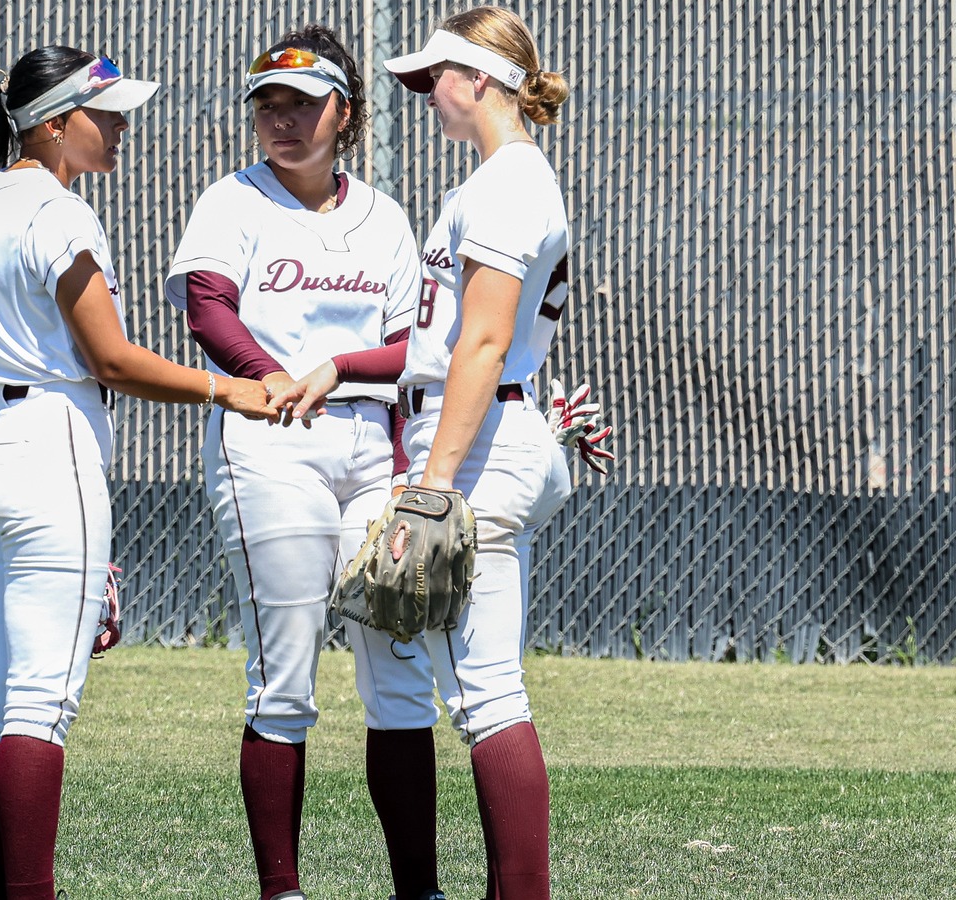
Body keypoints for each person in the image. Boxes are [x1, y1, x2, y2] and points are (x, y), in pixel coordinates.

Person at [0, 47, 277, 900]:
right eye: (106, 112)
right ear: (55, 124)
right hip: (52, 448)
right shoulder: (57, 210)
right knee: (39, 708)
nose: (121, 125)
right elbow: (113, 361)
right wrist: (227, 389)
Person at [276, 7, 578, 899]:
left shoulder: (507, 185)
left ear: (478, 79)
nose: (425, 95)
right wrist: (342, 367)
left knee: (487, 695)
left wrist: (433, 486)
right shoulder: (496, 179)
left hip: (472, 447)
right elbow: (457, 345)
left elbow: (482, 348)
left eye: (435, 78)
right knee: (471, 688)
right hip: (479, 430)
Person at [163, 25, 423, 900]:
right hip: (271, 440)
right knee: (286, 666)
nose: (282, 120)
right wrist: (266, 375)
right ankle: (283, 890)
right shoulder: (231, 202)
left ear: (343, 112)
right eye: (267, 104)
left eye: (302, 104)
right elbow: (208, 305)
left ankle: (417, 887)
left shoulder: (383, 217)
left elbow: (409, 347)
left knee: (398, 664)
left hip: (368, 442)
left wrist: (343, 372)